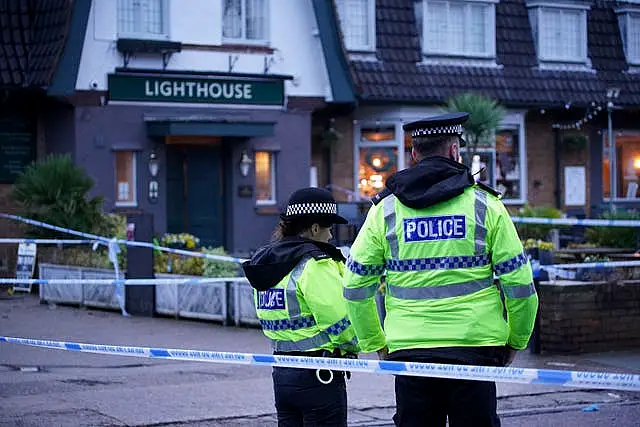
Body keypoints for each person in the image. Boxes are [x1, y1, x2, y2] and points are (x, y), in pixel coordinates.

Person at [343, 112, 539, 427]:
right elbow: (519, 284)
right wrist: (516, 341)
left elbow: (355, 288)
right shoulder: (485, 206)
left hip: (411, 351)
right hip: (474, 348)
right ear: (453, 152)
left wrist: (375, 344)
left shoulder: (385, 211)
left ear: (413, 154)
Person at [242, 187, 359, 427]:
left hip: (282, 373)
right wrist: (357, 344)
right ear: (315, 228)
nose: (330, 237)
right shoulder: (314, 264)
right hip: (319, 376)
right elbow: (341, 320)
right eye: (329, 229)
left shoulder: (267, 264)